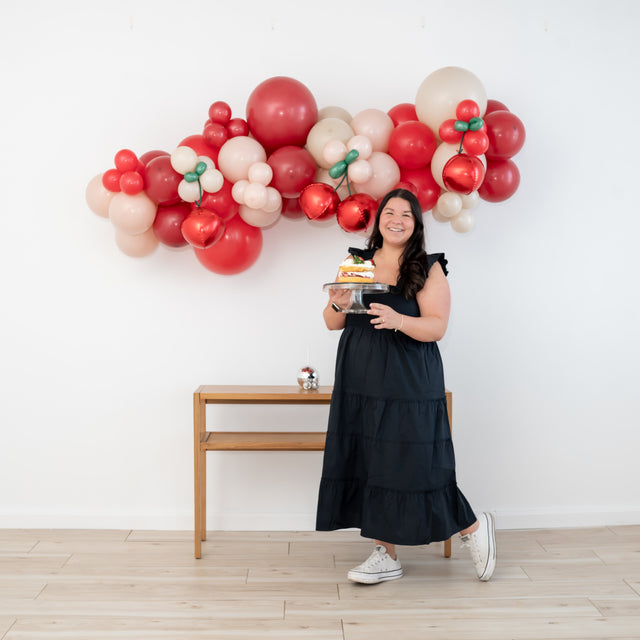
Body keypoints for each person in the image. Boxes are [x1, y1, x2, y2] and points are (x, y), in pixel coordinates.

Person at [316, 188, 496, 584]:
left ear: (416, 225)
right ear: (379, 218)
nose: (396, 219)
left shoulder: (426, 267)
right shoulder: (356, 262)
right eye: (390, 212)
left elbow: (436, 327)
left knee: (417, 463)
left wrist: (399, 320)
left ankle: (473, 528)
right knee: (371, 460)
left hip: (409, 378)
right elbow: (333, 322)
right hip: (360, 376)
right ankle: (386, 554)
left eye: (407, 215)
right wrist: (337, 301)